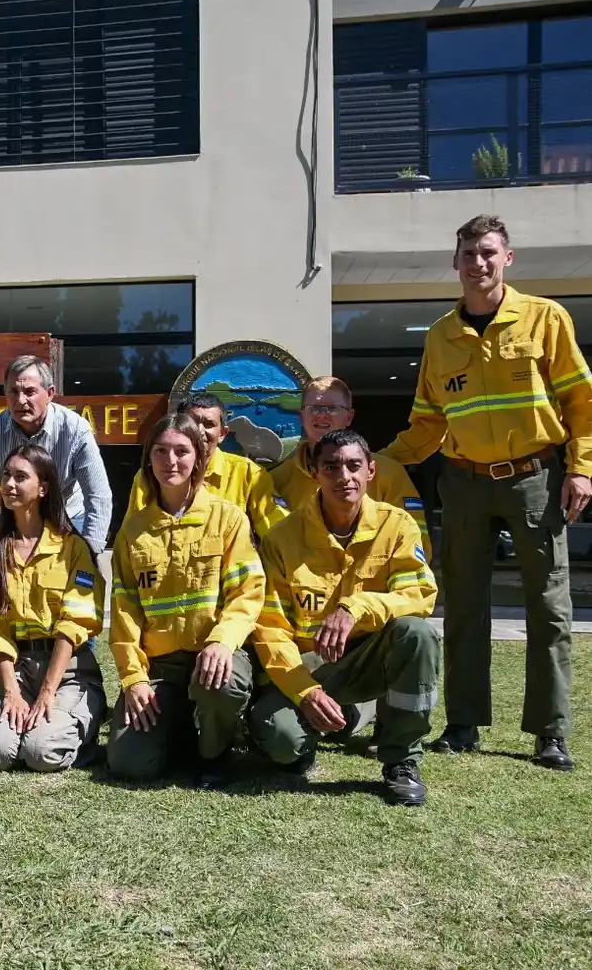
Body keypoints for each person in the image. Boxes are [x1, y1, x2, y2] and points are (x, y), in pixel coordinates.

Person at [384, 214, 590, 772]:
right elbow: (427, 422)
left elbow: (579, 401)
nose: (479, 262)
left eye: (489, 252)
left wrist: (581, 468)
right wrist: (373, 462)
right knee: (464, 605)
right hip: (464, 480)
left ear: (508, 258)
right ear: (455, 263)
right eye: (469, 253)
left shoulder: (546, 318)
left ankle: (550, 732)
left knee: (548, 605)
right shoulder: (439, 335)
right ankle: (463, 722)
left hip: (535, 479)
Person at [247, 429, 441, 806]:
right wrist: (305, 692)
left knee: (416, 633)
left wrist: (356, 607)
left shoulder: (397, 525)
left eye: (354, 466)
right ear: (316, 473)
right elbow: (270, 629)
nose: (343, 477)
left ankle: (402, 760)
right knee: (283, 745)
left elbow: (418, 596)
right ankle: (349, 713)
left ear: (371, 470)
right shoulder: (283, 538)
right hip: (308, 666)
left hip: (369, 658)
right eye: (331, 467)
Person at [105, 413, 266, 786]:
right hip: (162, 668)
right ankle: (179, 726)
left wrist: (223, 643)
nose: (170, 461)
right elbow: (125, 612)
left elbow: (248, 592)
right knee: (129, 763)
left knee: (221, 683)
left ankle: (214, 752)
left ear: (199, 458)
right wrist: (133, 679)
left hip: (213, 655)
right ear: (149, 458)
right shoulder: (134, 530)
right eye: (160, 451)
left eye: (181, 451)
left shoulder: (228, 519)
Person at [0, 444, 105, 772]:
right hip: (18, 666)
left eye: (20, 477)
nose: (9, 484)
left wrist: (48, 690)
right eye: (6, 476)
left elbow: (75, 623)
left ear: (43, 488)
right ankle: (21, 724)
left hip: (67, 669)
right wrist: (11, 691)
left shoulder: (73, 548)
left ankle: (78, 732)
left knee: (40, 753)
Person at [0, 355, 113, 555]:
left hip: (67, 519)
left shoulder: (76, 430)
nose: (20, 400)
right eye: (13, 392)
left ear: (50, 393)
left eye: (29, 392)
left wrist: (89, 552)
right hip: (15, 523)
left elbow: (99, 496)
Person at [267, 375, 429, 553]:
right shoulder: (277, 479)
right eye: (314, 408)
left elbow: (416, 542)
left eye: (332, 408)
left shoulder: (389, 473)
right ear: (302, 416)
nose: (322, 414)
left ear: (349, 417)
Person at [124, 391, 286, 539]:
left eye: (209, 424)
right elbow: (132, 535)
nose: (200, 430)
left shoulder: (249, 474)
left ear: (222, 434)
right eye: (193, 422)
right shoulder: (153, 474)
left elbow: (278, 535)